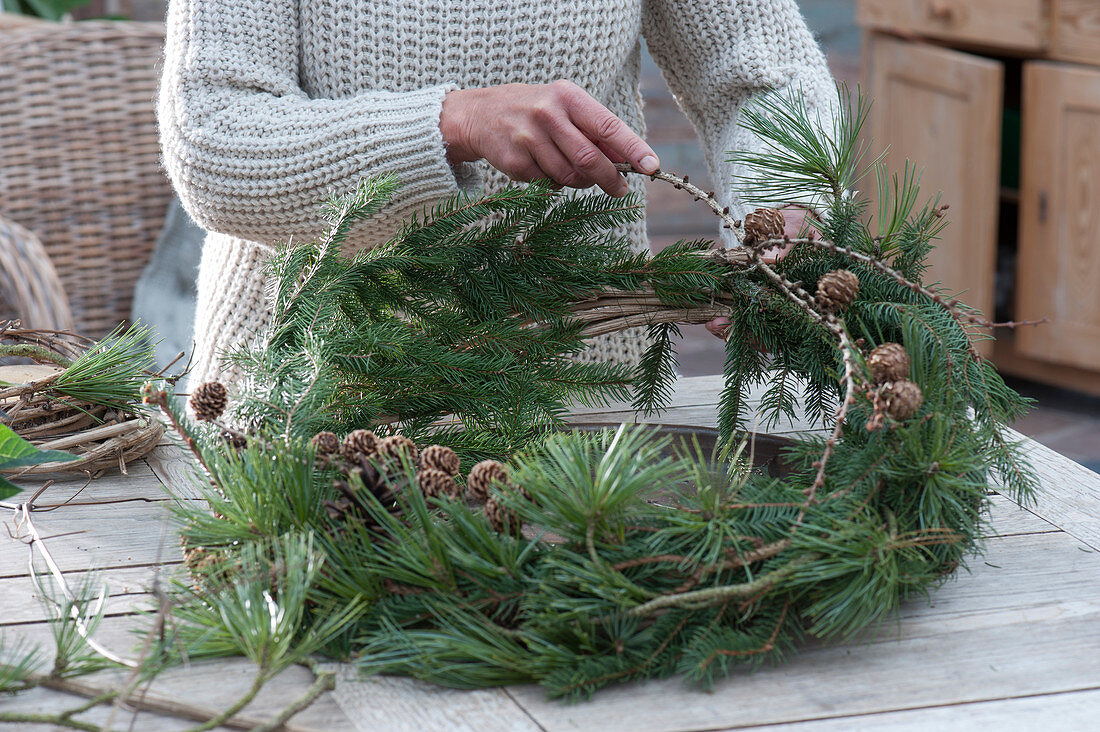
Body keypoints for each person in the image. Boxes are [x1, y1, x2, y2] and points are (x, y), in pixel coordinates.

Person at [158, 0, 836, 386]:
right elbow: (215, 141)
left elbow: (760, 74)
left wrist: (781, 209)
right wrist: (453, 124)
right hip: (306, 401)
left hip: (579, 406)